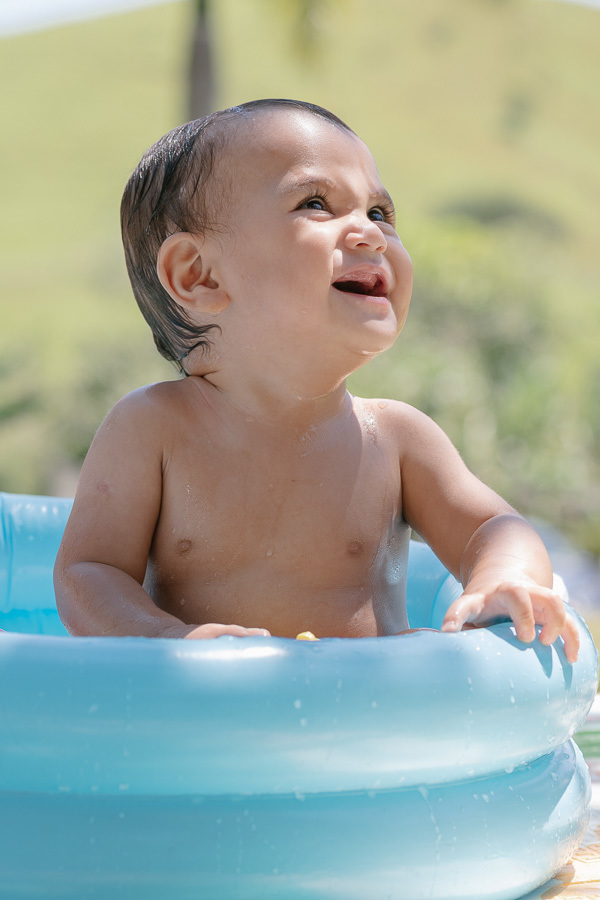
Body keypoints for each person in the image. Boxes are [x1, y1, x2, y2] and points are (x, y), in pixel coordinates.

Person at [53, 99, 579, 662]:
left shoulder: (396, 440)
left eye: (380, 213)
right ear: (199, 275)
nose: (373, 236)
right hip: (209, 727)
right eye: (316, 203)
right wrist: (162, 639)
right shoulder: (152, 429)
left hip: (369, 728)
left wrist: (507, 579)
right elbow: (90, 572)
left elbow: (494, 529)